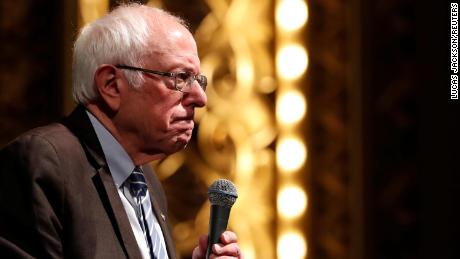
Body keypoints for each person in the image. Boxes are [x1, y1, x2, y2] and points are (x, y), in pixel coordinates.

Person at [0, 3, 243, 259]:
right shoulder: (43, 163)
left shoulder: (146, 180)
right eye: (180, 78)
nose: (200, 98)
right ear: (112, 85)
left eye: (198, 80)